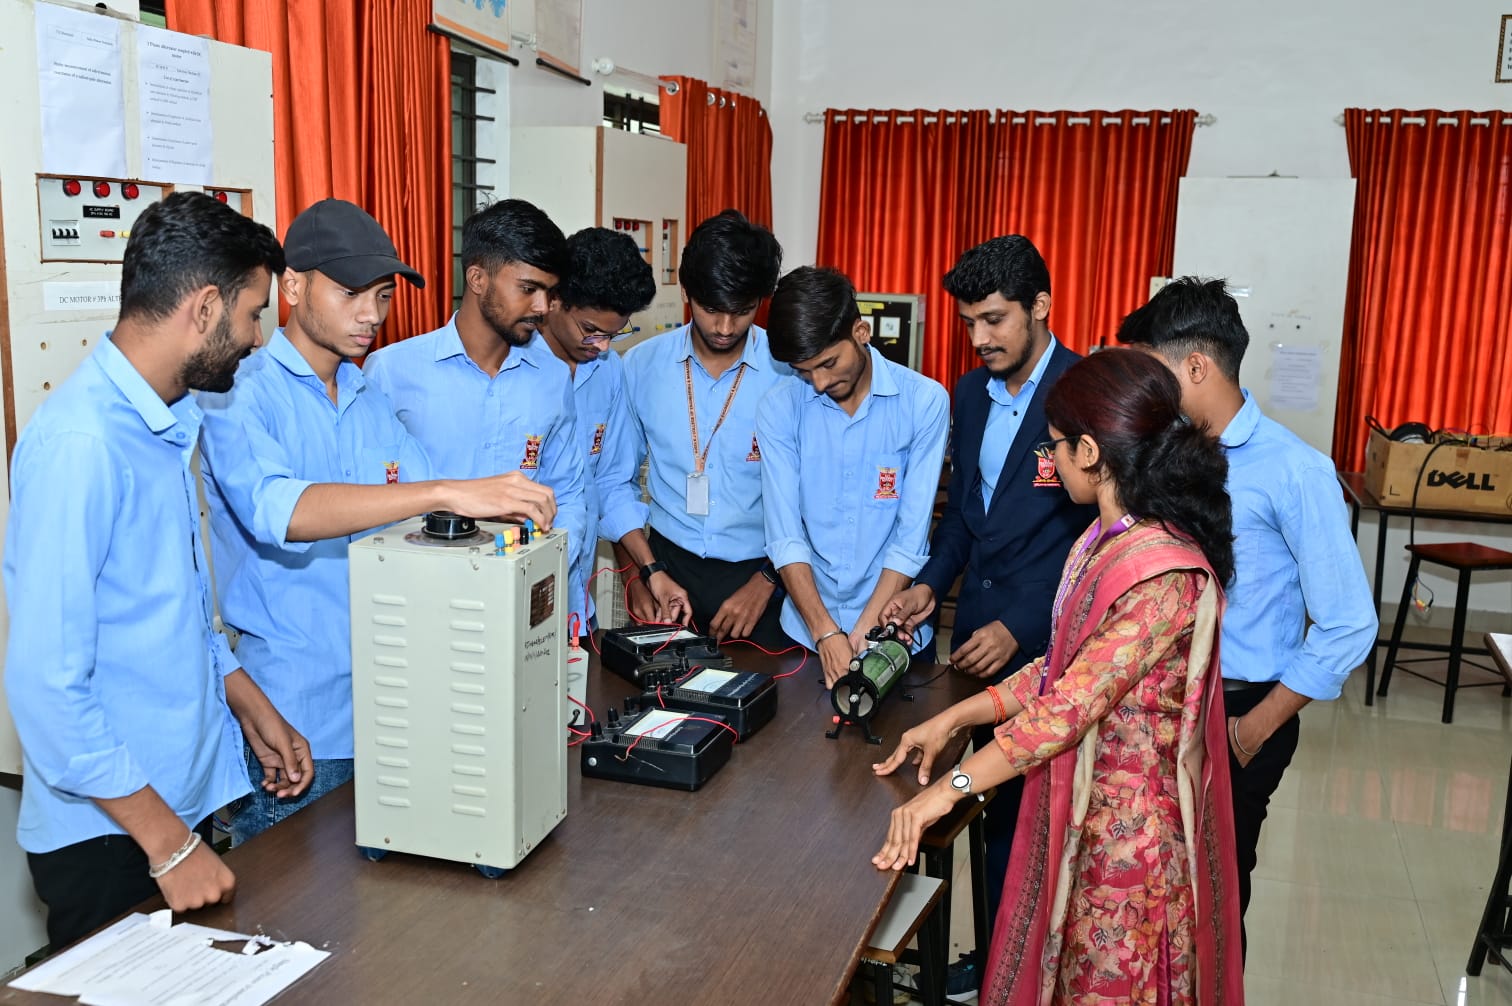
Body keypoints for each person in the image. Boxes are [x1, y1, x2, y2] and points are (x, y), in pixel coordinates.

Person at [873, 348, 1246, 1006]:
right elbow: (1063, 666)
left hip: (1132, 844)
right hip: (1083, 811)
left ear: (1091, 451)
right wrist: (954, 717)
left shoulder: (1161, 573)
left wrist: (949, 791)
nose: (1047, 466)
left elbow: (1068, 707)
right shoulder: (1102, 540)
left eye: (1054, 450)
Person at [4, 192, 313, 949]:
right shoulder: (83, 445)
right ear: (205, 308)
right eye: (251, 314)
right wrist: (168, 844)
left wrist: (244, 697)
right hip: (116, 834)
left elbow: (163, 610)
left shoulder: (171, 419)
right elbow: (46, 686)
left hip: (176, 806)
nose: (256, 337)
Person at [198, 199, 556, 845]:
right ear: (295, 286)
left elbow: (424, 524)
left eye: (383, 295)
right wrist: (445, 490)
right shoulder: (241, 391)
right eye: (351, 293)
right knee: (297, 919)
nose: (371, 314)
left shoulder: (366, 396)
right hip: (297, 713)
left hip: (394, 702)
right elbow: (282, 510)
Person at [1116, 276, 1376, 948]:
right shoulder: (1167, 455)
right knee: (1150, 891)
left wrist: (1254, 729)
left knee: (1212, 902)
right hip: (1162, 703)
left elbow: (1349, 623)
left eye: (1155, 371)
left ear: (1196, 367)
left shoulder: (1295, 471)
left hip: (1240, 711)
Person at [878, 235, 1095, 979]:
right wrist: (930, 586)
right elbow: (965, 519)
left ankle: (1013, 964)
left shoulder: (1086, 393)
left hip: (1050, 646)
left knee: (1021, 825)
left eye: (995, 320)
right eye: (969, 322)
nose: (980, 339)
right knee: (940, 797)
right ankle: (934, 956)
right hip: (971, 641)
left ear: (1041, 307)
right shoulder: (968, 394)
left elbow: (1092, 542)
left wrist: (1022, 626)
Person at [364, 199, 589, 625]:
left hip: (523, 606)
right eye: (528, 288)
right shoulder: (392, 372)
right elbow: (367, 499)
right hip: (419, 606)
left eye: (550, 292)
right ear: (478, 278)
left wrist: (539, 565)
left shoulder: (553, 379)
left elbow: (571, 494)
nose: (543, 307)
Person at [756, 266, 949, 684]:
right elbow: (785, 534)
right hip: (806, 633)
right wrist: (826, 632)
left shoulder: (924, 401)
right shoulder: (779, 407)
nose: (820, 383)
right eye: (804, 372)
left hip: (893, 631)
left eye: (828, 363)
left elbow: (909, 537)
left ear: (860, 332)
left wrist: (863, 635)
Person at [619, 210, 792, 647]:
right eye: (711, 309)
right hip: (667, 571)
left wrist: (768, 581)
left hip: (763, 574)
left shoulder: (789, 372)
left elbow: (815, 493)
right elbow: (614, 483)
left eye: (743, 311)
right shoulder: (641, 365)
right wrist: (639, 574)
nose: (725, 327)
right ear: (685, 292)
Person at [535, 227, 691, 626]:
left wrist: (650, 571)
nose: (602, 346)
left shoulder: (608, 373)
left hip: (574, 611)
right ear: (554, 301)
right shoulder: (514, 368)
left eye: (614, 333)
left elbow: (612, 484)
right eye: (591, 330)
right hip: (511, 600)